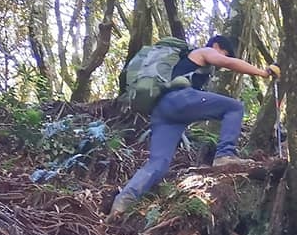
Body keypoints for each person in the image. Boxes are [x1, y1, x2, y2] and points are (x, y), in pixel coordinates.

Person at [108, 34, 278, 218]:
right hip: (178, 99)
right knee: (234, 107)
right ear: (216, 46)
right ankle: (225, 155)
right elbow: (228, 63)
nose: (223, 57)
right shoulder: (203, 51)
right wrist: (263, 73)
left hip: (162, 112)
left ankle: (122, 202)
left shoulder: (187, 67)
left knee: (158, 163)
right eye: (224, 52)